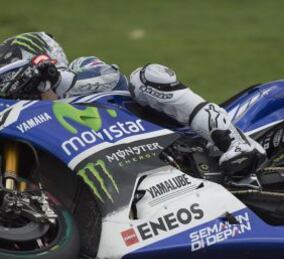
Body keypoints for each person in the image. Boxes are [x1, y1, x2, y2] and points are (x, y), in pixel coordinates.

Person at [0, 32, 265, 175]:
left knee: (145, 76)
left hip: (163, 132)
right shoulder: (34, 119)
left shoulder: (80, 67)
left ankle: (233, 139)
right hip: (120, 164)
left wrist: (54, 79)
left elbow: (111, 78)